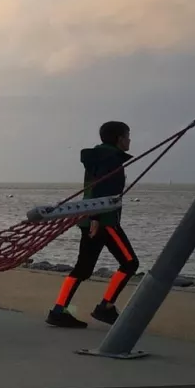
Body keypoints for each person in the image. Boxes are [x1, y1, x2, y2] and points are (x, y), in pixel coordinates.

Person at [47, 121, 140, 329]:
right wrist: (98, 218)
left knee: (83, 268)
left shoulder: (98, 157)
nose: (130, 140)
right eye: (127, 136)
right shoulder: (111, 159)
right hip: (104, 221)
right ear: (119, 138)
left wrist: (92, 218)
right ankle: (105, 307)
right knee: (130, 263)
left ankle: (58, 311)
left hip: (88, 218)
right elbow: (101, 189)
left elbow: (95, 187)